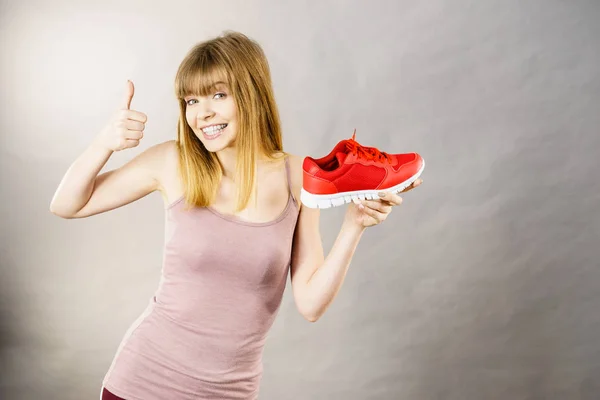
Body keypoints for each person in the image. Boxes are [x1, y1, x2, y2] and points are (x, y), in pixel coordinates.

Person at [49, 31, 422, 400]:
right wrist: (105, 143)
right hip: (142, 382)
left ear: (252, 94)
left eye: (219, 94)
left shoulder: (299, 178)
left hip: (229, 392)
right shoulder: (173, 162)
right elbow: (67, 204)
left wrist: (353, 226)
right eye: (191, 100)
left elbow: (310, 304)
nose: (202, 112)